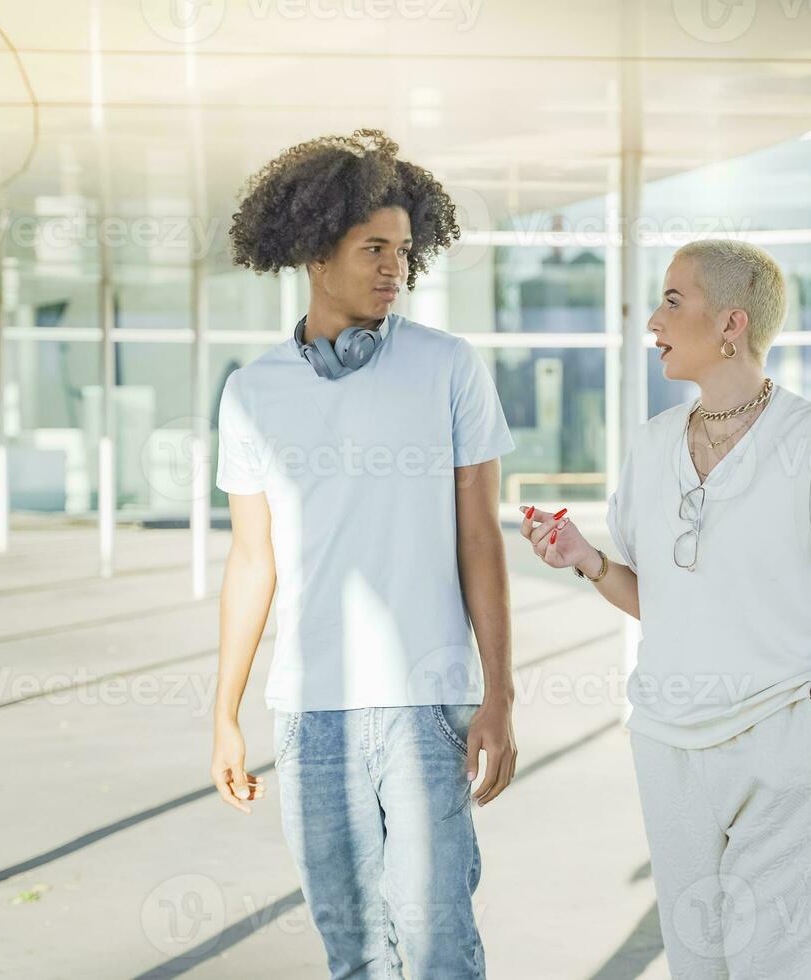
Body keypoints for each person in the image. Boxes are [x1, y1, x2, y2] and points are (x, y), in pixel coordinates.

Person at [519, 239, 811, 978]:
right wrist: (588, 561)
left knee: (777, 964)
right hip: (667, 745)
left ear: (731, 323)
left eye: (672, 301)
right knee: (698, 963)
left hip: (779, 737)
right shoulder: (652, 444)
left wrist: (808, 726)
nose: (654, 321)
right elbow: (656, 601)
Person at [209, 129, 517, 979]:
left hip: (427, 705)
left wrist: (500, 694)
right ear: (314, 251)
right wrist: (225, 712)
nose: (395, 269)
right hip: (312, 713)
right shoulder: (252, 392)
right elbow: (250, 562)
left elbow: (481, 538)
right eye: (373, 248)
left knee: (437, 948)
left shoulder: (449, 367)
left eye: (405, 251)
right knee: (354, 955)